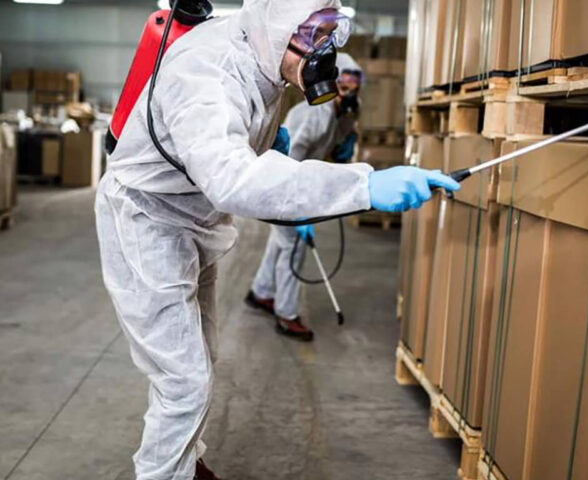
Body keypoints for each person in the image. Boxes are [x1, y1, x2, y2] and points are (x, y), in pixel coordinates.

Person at [95, 1, 460, 479]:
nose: (324, 50)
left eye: (331, 32)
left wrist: (267, 143)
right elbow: (231, 178)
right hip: (147, 222)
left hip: (192, 218)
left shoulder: (266, 57)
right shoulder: (206, 72)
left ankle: (183, 461)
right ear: (276, 25)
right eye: (312, 35)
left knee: (200, 358)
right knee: (183, 380)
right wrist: (364, 185)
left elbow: (237, 141)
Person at [246, 53, 364, 342]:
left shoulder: (349, 111)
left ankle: (262, 292)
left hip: (302, 179)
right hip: (282, 176)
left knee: (281, 241)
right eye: (344, 86)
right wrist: (296, 208)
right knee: (294, 246)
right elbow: (288, 158)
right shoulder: (313, 115)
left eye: (355, 86)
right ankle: (286, 315)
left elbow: (336, 146)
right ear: (333, 82)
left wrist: (344, 145)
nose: (349, 92)